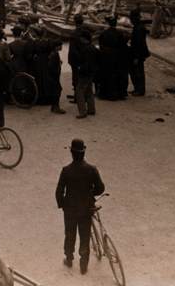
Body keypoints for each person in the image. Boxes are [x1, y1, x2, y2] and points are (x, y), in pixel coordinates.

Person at [56, 138, 105, 274]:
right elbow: (100, 188)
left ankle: (69, 259)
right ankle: (83, 265)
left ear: (71, 152)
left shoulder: (66, 170)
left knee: (70, 234)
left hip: (70, 210)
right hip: (86, 209)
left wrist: (63, 205)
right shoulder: (91, 169)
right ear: (84, 152)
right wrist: (90, 194)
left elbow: (59, 192)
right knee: (84, 236)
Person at [70, 29, 99, 119]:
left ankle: (82, 111)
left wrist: (80, 68)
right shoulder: (93, 48)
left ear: (84, 38)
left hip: (84, 73)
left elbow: (85, 63)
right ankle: (91, 109)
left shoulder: (86, 49)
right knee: (89, 91)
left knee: (79, 91)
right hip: (91, 73)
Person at [128, 6, 150, 96]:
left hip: (138, 54)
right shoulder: (138, 27)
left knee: (138, 72)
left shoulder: (139, 28)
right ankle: (137, 88)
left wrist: (137, 57)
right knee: (136, 71)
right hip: (137, 53)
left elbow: (139, 44)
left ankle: (140, 90)